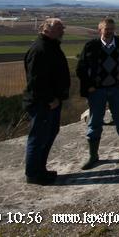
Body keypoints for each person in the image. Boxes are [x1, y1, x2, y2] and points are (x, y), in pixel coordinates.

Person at [76, 17, 119, 170]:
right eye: (106, 29)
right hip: (97, 91)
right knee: (95, 122)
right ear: (100, 30)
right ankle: (93, 156)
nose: (109, 31)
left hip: (117, 89)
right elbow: (81, 68)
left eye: (112, 29)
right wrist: (89, 86)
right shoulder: (91, 46)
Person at [23, 18, 70, 185]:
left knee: (48, 135)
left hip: (51, 102)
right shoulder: (40, 49)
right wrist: (50, 99)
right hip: (44, 103)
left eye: (62, 27)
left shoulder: (50, 46)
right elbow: (36, 81)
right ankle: (33, 174)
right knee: (38, 138)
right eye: (59, 28)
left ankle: (40, 170)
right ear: (46, 29)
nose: (62, 30)